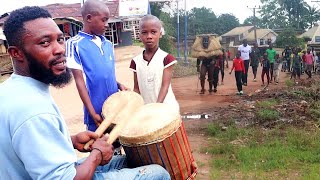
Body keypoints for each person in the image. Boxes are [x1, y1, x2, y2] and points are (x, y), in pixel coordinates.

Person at [0, 6, 170, 180]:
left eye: (60, 39)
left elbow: (31, 144)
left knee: (130, 161)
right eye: (44, 42)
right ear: (16, 53)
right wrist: (96, 153)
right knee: (158, 174)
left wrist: (71, 140)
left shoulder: (12, 90)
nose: (59, 49)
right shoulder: (33, 110)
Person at [66, 0, 128, 131]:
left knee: (117, 145)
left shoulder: (108, 44)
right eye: (103, 20)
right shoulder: (75, 44)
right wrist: (92, 112)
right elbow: (80, 81)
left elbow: (104, 74)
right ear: (89, 18)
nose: (106, 25)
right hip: (95, 109)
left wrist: (117, 84)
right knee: (99, 147)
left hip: (114, 107)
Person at [129, 15, 179, 111]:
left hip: (166, 109)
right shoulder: (136, 62)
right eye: (144, 33)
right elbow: (136, 88)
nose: (149, 36)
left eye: (153, 32)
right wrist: (133, 105)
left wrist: (156, 108)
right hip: (147, 111)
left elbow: (165, 86)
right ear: (139, 35)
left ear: (160, 34)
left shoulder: (167, 59)